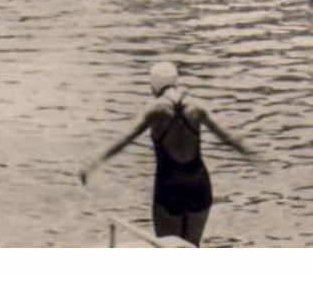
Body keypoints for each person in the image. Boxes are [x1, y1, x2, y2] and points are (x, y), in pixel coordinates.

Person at [79, 60, 254, 247]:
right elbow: (229, 137)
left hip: (170, 187)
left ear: (153, 84)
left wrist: (93, 164)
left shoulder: (156, 109)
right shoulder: (197, 107)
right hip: (199, 185)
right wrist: (256, 159)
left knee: (166, 250)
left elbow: (125, 139)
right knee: (192, 247)